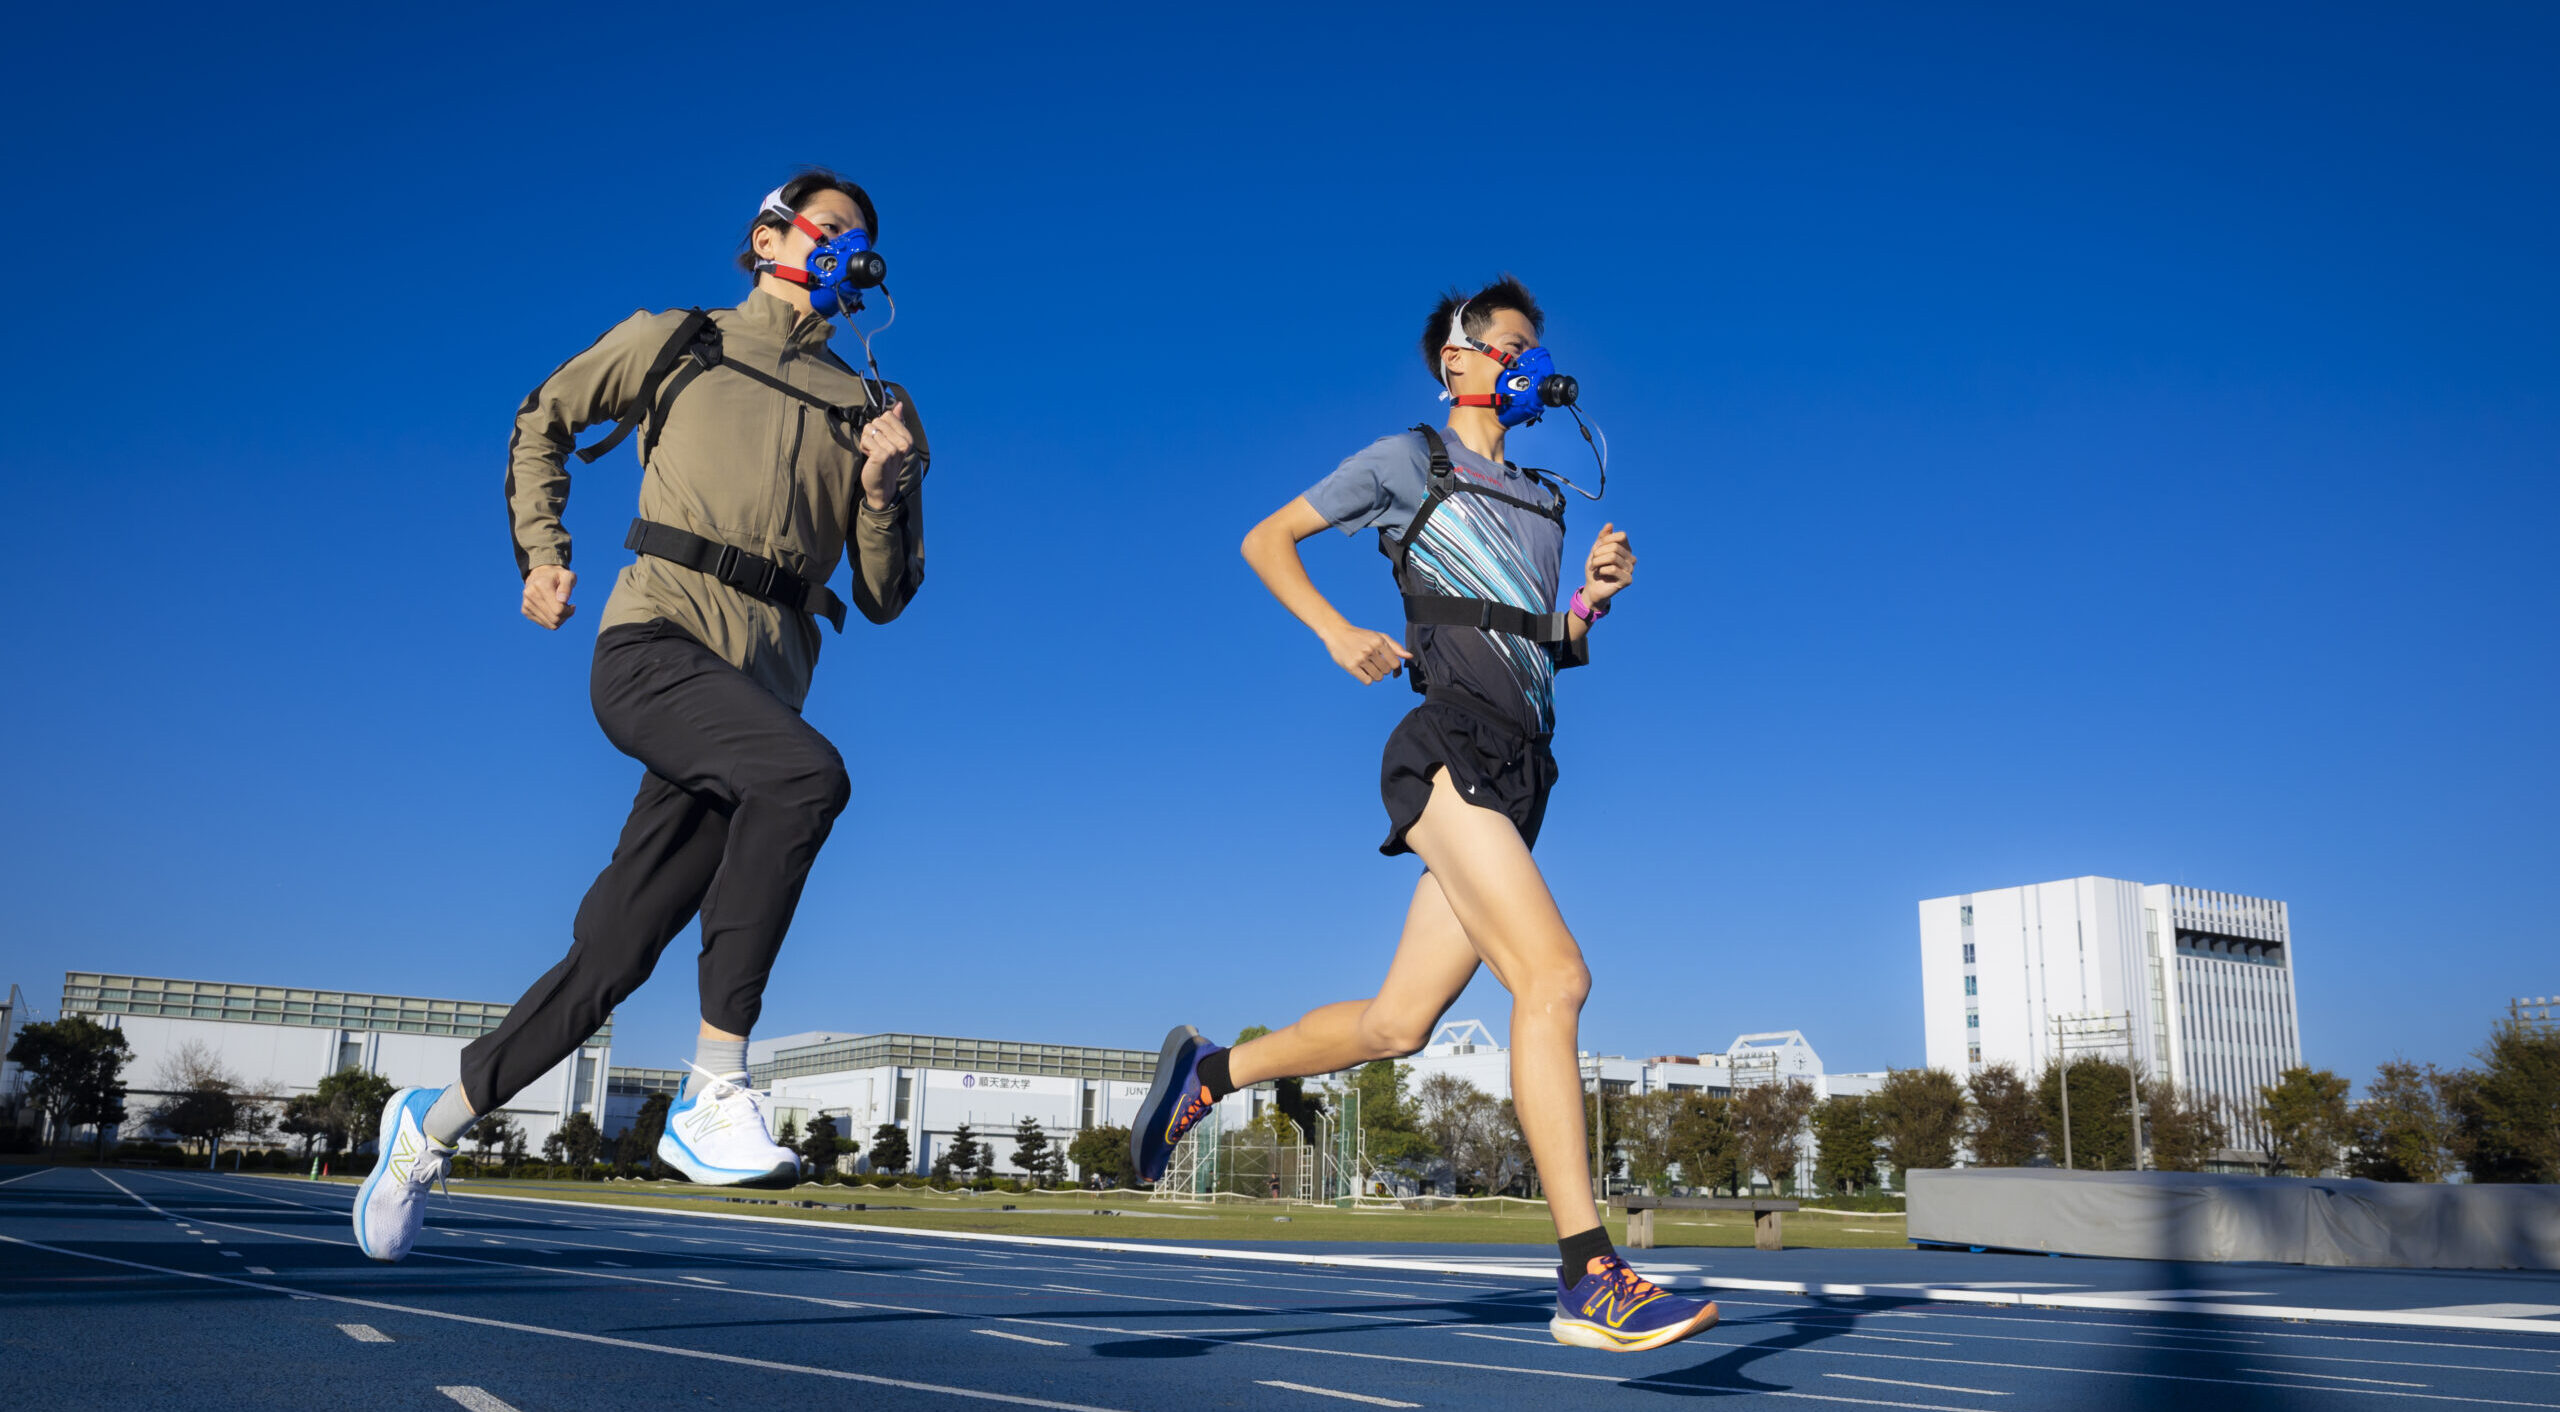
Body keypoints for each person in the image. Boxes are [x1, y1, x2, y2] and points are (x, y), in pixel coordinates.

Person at [1131, 277, 1716, 1351]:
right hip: (1445, 748)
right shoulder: (1410, 461)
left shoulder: (1542, 499)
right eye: (1508, 345)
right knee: (1555, 977)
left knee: (1400, 1026)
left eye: (1536, 347)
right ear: (1456, 359)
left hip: (1526, 763)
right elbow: (1268, 538)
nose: (1528, 361)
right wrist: (1334, 630)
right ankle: (1588, 1269)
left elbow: (1544, 645)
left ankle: (1207, 1070)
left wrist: (1590, 599)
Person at [355, 169, 929, 1262]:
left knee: (612, 950)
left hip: (755, 707)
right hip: (653, 647)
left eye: (868, 241)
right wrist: (542, 553)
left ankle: (425, 1125)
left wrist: (881, 488)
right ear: (768, 236)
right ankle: (715, 1083)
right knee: (810, 778)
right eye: (832, 228)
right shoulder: (681, 339)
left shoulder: (877, 407)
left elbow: (888, 594)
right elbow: (542, 419)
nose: (854, 250)